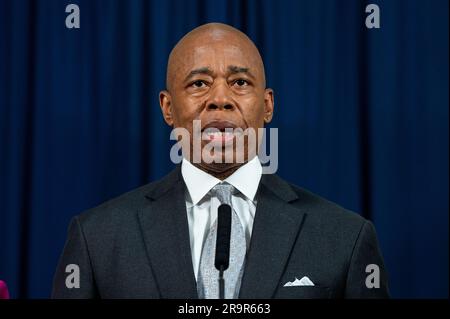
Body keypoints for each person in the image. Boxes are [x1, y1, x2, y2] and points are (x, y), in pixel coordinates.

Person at [52, 23, 389, 298]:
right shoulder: (96, 238)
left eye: (239, 83)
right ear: (168, 108)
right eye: (199, 83)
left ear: (268, 105)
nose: (220, 99)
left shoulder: (346, 236)